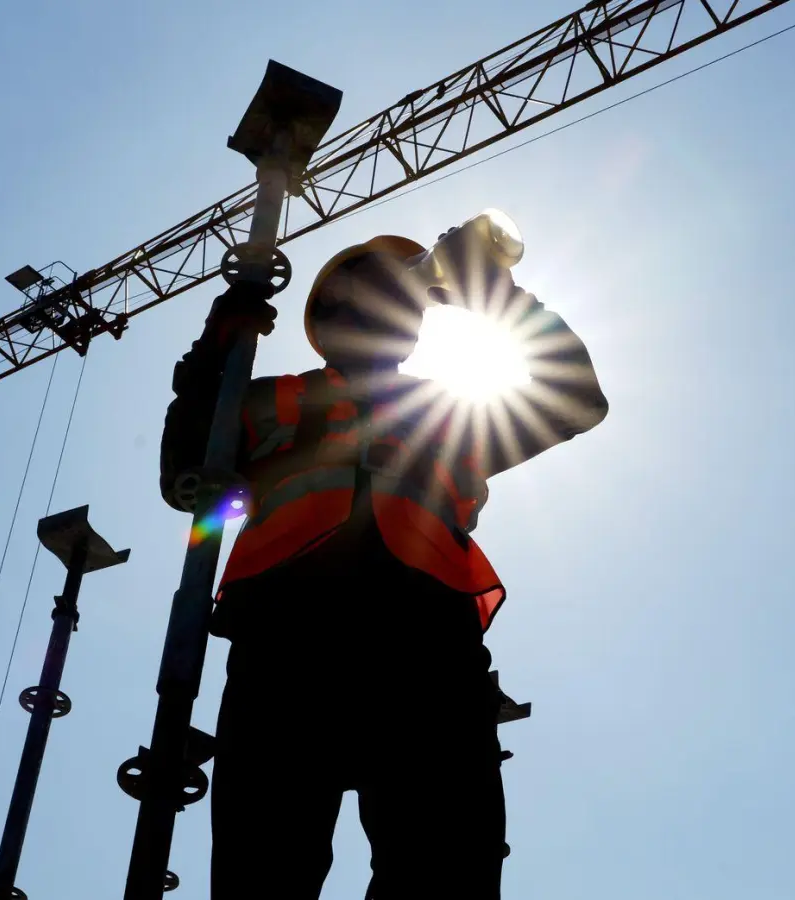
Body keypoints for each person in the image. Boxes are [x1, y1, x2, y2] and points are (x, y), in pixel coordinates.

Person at [159, 230, 607, 899]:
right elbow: (185, 475)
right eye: (380, 280)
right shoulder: (263, 399)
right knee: (264, 872)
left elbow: (576, 399)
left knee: (445, 870)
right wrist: (212, 355)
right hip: (286, 646)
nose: (402, 295)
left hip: (426, 650)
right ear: (332, 304)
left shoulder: (448, 410)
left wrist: (499, 297)